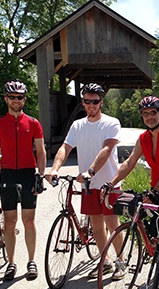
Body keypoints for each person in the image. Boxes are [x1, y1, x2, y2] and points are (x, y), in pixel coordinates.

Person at [101, 96, 159, 289]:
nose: (149, 117)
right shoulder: (143, 139)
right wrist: (111, 184)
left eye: (153, 113)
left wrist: (156, 192)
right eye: (145, 114)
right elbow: (129, 162)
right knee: (158, 238)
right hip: (156, 189)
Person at [46, 83, 123, 279]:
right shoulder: (78, 125)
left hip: (108, 183)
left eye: (95, 101)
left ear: (101, 102)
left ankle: (121, 261)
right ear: (82, 103)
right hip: (88, 185)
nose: (91, 105)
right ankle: (104, 261)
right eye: (87, 101)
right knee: (97, 224)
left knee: (112, 223)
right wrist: (54, 169)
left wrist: (91, 171)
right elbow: (65, 147)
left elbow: (107, 149)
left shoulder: (111, 123)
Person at [0, 79, 47, 281]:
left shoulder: (33, 123)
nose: (15, 100)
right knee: (10, 222)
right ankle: (11, 263)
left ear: (24, 99)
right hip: (8, 174)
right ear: (6, 99)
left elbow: (40, 151)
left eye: (19, 97)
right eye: (11, 97)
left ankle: (31, 261)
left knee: (29, 221)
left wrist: (40, 175)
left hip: (28, 174)